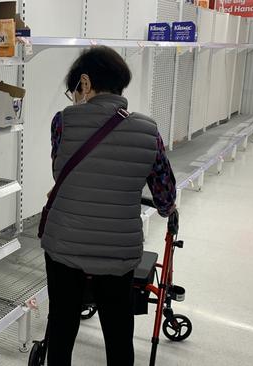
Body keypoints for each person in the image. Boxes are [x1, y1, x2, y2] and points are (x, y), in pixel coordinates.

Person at [40, 46, 177, 366]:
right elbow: (165, 197)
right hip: (118, 253)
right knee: (118, 336)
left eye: (73, 89)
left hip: (64, 248)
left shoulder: (62, 122)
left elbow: (60, 172)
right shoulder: (149, 131)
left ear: (85, 84)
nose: (73, 97)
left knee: (61, 329)